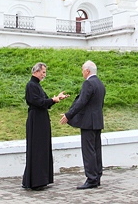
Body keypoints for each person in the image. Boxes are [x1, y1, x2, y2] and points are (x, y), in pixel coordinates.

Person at [22, 62, 68, 190]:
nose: (44, 75)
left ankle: (41, 180)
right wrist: (52, 100)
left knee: (42, 148)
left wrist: (56, 99)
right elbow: (38, 102)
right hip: (36, 119)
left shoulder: (36, 85)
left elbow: (45, 102)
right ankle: (36, 181)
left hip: (41, 119)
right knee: (37, 149)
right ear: (36, 71)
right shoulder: (31, 85)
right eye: (43, 72)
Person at [60, 60, 106, 189]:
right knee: (96, 150)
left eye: (82, 70)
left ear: (87, 71)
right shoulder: (100, 83)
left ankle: (91, 179)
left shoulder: (88, 83)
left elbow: (81, 102)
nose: (82, 72)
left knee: (88, 151)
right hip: (97, 121)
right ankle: (97, 177)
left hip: (88, 122)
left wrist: (68, 115)